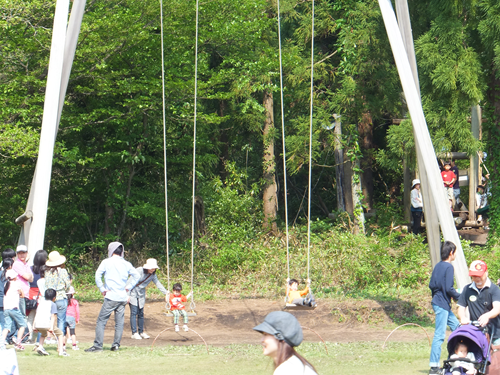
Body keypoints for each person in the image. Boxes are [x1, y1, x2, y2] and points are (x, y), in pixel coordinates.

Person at [85, 242, 140, 352]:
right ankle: (116, 345)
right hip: (122, 298)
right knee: (119, 323)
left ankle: (98, 346)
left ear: (111, 250)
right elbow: (137, 276)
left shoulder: (106, 262)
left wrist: (102, 288)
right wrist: (129, 287)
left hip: (111, 296)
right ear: (122, 252)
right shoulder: (126, 263)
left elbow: (97, 275)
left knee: (101, 321)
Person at [428, 241, 461, 375]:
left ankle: (457, 359)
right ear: (451, 253)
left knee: (458, 328)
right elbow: (448, 288)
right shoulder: (448, 267)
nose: (455, 255)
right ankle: (434, 367)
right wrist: (460, 296)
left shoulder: (437, 266)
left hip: (440, 303)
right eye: (455, 252)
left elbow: (432, 285)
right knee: (439, 335)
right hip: (442, 305)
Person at [253, 311, 318, 375]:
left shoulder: (287, 369)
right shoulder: (293, 363)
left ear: (280, 337)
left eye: (266, 334)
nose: (262, 340)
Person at [458, 260, 500, 345]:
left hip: (495, 333)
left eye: (479, 276)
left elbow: (497, 308)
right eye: (474, 276)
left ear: (486, 273)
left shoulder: (494, 289)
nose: (477, 279)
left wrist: (487, 316)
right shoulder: (467, 289)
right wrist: (462, 317)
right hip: (475, 332)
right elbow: (461, 307)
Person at [127, 258, 168, 339]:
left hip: (141, 294)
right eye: (151, 268)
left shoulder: (152, 275)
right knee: (134, 312)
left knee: (141, 313)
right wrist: (127, 295)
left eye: (154, 268)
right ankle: (134, 333)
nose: (153, 270)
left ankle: (141, 332)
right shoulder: (139, 270)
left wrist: (166, 293)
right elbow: (129, 282)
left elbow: (158, 283)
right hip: (133, 292)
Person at [33, 288, 68, 356]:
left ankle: (40, 346)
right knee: (60, 334)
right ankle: (61, 351)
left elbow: (36, 314)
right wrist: (51, 327)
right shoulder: (53, 304)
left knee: (43, 334)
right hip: (47, 324)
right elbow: (53, 317)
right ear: (54, 298)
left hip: (38, 324)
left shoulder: (41, 303)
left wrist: (34, 326)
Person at [44, 251, 71, 336]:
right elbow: (68, 284)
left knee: (49, 318)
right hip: (60, 297)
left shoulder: (47, 272)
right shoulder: (63, 271)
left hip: (50, 298)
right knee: (61, 320)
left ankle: (46, 337)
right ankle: (60, 339)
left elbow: (46, 285)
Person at [1, 269, 27, 351]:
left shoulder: (6, 284)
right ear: (14, 277)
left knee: (7, 327)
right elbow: (22, 295)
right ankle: (18, 343)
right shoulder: (16, 284)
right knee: (22, 325)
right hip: (14, 309)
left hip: (6, 309)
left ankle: (1, 343)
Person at [27, 249, 48, 342]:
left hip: (31, 294)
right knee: (40, 317)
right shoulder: (46, 270)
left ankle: (29, 336)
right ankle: (39, 338)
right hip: (41, 294)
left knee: (30, 317)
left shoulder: (30, 268)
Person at [12, 245, 33, 329]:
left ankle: (20, 335)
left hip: (25, 293)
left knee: (22, 314)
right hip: (19, 293)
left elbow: (31, 279)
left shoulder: (26, 264)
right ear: (17, 254)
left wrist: (28, 276)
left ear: (27, 253)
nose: (22, 255)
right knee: (21, 315)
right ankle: (21, 336)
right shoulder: (17, 264)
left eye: (23, 253)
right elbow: (28, 277)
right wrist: (28, 276)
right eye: (19, 253)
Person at [64, 286, 80, 350]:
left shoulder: (64, 301)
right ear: (72, 294)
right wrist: (77, 319)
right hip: (72, 318)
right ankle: (74, 345)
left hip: (65, 317)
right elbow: (77, 311)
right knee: (73, 332)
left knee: (64, 333)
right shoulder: (75, 301)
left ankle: (63, 345)